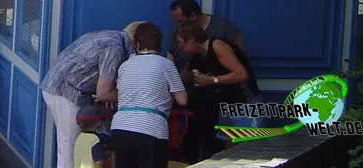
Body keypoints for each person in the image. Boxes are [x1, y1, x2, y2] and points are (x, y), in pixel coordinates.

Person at [39, 23, 139, 168]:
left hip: (58, 86)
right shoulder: (114, 47)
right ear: (135, 41)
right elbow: (103, 93)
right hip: (67, 92)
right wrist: (136, 96)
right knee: (70, 151)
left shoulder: (108, 36)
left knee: (71, 148)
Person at [175, 20, 258, 162]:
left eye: (181, 42)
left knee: (247, 150)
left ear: (192, 39)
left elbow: (241, 74)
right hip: (225, 103)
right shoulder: (198, 56)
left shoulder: (217, 45)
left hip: (244, 103)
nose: (180, 47)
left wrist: (213, 80)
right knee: (229, 149)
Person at [110, 22, 187, 168]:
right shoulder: (166, 65)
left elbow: (122, 95)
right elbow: (182, 100)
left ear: (136, 44)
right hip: (152, 128)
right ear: (159, 45)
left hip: (120, 126)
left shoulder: (125, 65)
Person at [167, 0, 243, 69]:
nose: (178, 25)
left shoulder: (223, 28)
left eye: (180, 21)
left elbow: (240, 56)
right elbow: (171, 54)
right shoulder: (177, 30)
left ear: (193, 16)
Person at [72, 103, 113, 168]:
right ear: (97, 123)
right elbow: (99, 163)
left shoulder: (79, 137)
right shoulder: (95, 140)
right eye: (101, 119)